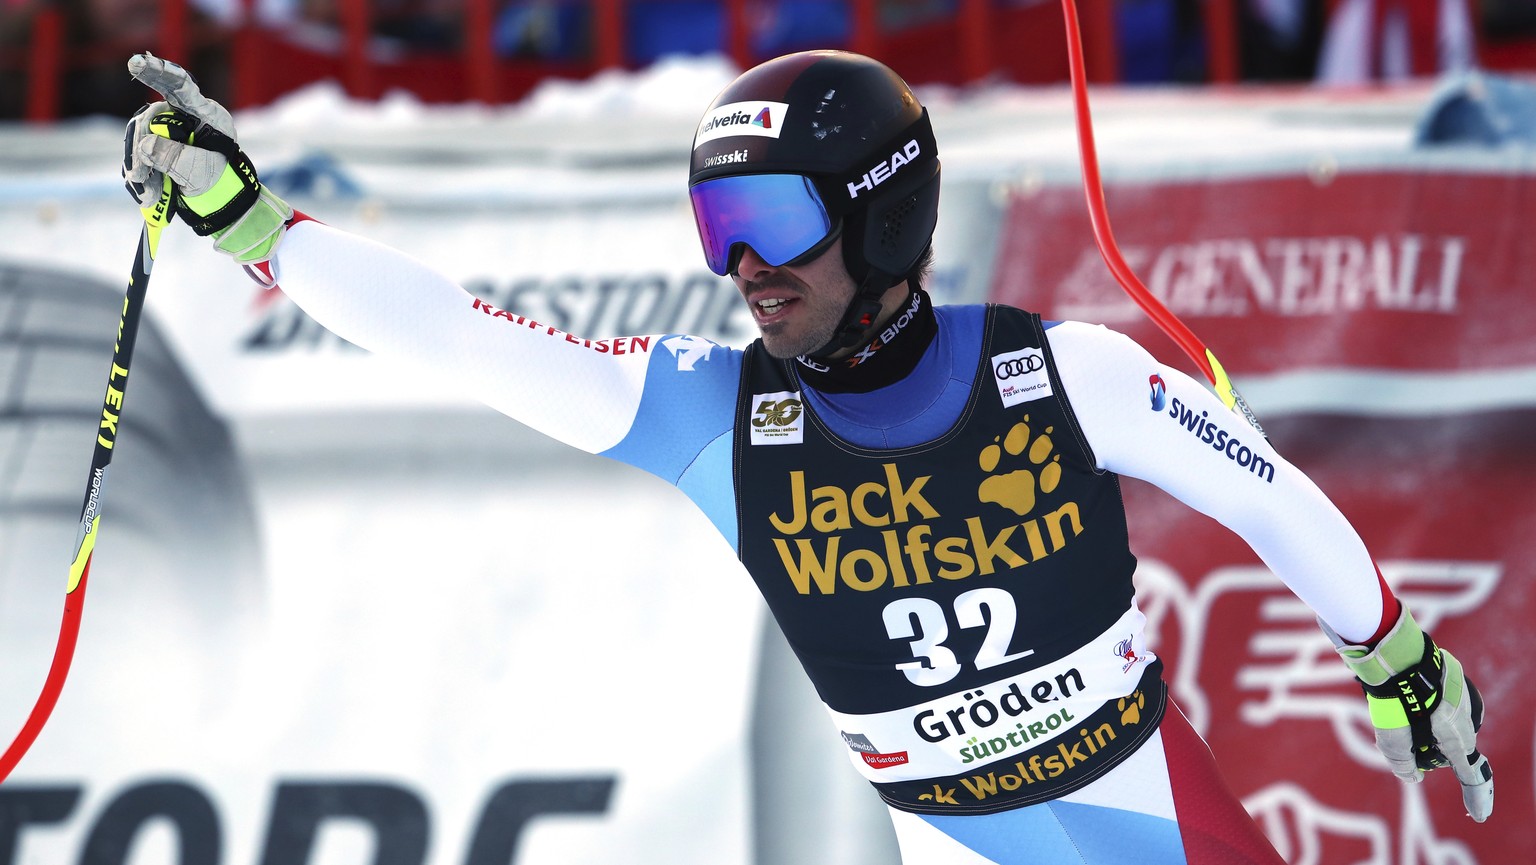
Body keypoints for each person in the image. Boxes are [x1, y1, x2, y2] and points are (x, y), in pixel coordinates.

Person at [120, 49, 1494, 864]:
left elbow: (1261, 489)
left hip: (1154, 816)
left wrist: (1392, 653)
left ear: (884, 216)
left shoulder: (1061, 373)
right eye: (717, 224)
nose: (741, 269)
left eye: (770, 219)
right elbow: (465, 341)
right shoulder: (718, 418)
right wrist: (254, 225)